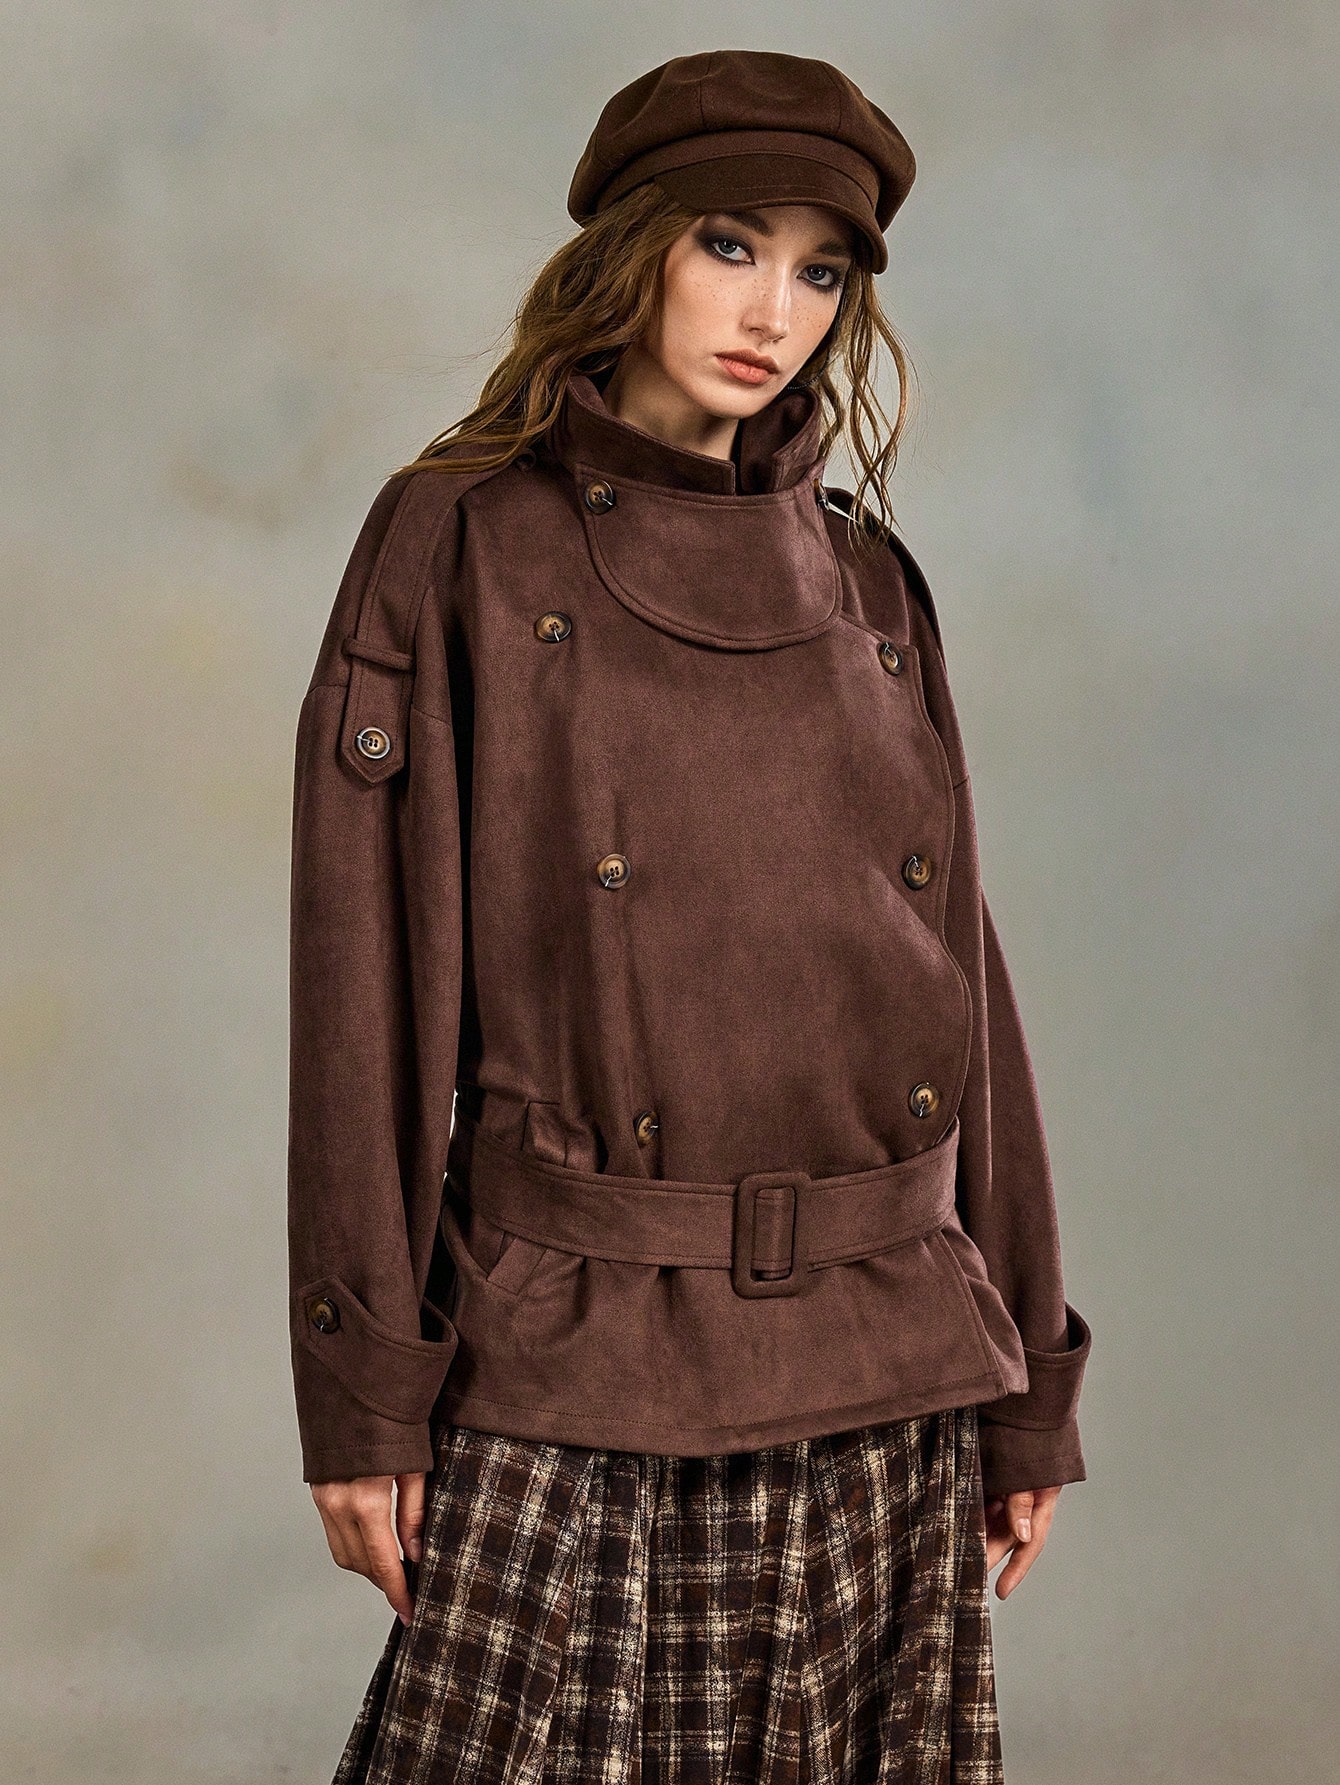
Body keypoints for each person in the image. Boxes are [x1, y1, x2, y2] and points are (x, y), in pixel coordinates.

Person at [287, 48, 1093, 1784]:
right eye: (731, 244)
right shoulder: (456, 542)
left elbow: (963, 986)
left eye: (823, 270)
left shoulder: (870, 581)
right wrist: (363, 1393)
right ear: (632, 246)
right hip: (575, 1361)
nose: (774, 313)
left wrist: (1030, 1369)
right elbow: (366, 990)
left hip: (885, 1363)